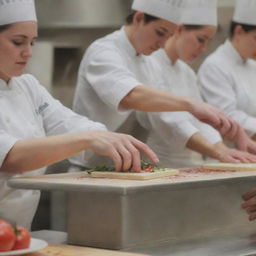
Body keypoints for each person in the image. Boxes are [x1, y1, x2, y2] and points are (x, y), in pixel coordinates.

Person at [0, 0, 159, 229]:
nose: (28, 53)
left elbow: (67, 121)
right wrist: (88, 139)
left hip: (18, 232)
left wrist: (104, 137)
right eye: (18, 42)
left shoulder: (27, 86)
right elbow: (12, 157)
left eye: (33, 42)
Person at [71, 0, 241, 170]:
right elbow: (130, 95)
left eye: (168, 36)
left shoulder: (149, 64)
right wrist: (191, 105)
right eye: (160, 32)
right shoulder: (104, 51)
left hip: (122, 168)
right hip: (88, 168)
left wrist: (219, 148)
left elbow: (167, 114)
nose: (162, 43)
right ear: (139, 18)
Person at [136, 0, 256, 168]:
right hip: (158, 165)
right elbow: (170, 120)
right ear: (179, 29)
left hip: (190, 165)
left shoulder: (186, 72)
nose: (204, 48)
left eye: (207, 41)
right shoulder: (151, 64)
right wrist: (219, 152)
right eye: (200, 39)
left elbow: (200, 121)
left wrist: (222, 149)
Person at [199, 0, 256, 142]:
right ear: (239, 31)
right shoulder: (215, 66)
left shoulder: (252, 65)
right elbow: (228, 115)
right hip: (224, 156)